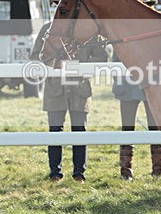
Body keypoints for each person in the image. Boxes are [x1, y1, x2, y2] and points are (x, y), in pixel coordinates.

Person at [33, 22, 107, 182]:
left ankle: (79, 173)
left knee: (80, 131)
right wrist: (55, 65)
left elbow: (102, 57)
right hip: (55, 88)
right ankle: (55, 173)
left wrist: (77, 67)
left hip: (79, 88)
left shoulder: (89, 31)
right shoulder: (48, 29)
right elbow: (36, 56)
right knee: (54, 131)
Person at [112, 0, 161, 180]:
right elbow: (115, 59)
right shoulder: (123, 30)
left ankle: (157, 171)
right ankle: (126, 171)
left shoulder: (157, 32)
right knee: (127, 128)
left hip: (151, 88)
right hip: (128, 87)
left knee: (155, 128)